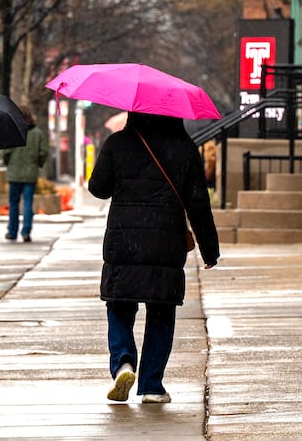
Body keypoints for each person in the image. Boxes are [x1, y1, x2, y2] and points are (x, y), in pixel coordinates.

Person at [88, 111, 219, 403]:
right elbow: (198, 202)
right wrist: (210, 249)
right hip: (166, 243)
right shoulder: (184, 148)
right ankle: (151, 386)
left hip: (123, 239)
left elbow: (98, 189)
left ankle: (123, 362)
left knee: (119, 304)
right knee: (161, 312)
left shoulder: (118, 143)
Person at [1, 106, 48, 242]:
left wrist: (9, 163)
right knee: (28, 203)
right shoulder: (38, 133)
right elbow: (43, 152)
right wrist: (38, 163)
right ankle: (26, 231)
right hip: (30, 175)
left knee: (13, 204)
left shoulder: (12, 132)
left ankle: (12, 231)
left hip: (14, 174)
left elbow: (5, 152)